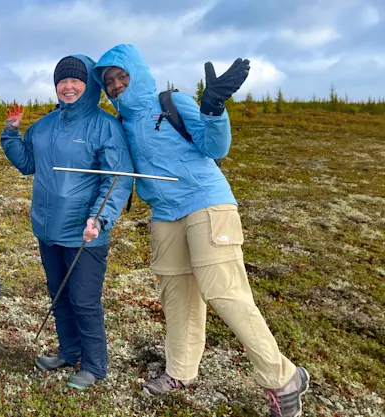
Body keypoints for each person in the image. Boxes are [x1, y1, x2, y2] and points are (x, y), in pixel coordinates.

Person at [94, 44, 309, 417]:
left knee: (224, 293)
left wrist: (213, 109)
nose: (115, 86)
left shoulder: (171, 102)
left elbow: (216, 146)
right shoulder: (121, 124)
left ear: (137, 74)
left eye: (121, 77)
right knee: (177, 295)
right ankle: (180, 371)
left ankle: (282, 377)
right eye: (109, 82)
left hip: (205, 202)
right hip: (165, 213)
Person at [0, 55, 134, 390]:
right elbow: (28, 163)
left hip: (84, 234)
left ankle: (94, 365)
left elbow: (117, 180)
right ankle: (68, 350)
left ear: (88, 85)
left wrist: (100, 219)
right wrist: (11, 134)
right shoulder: (45, 125)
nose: (68, 87)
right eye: (62, 81)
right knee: (59, 296)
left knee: (84, 301)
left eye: (75, 80)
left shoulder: (105, 126)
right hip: (47, 230)